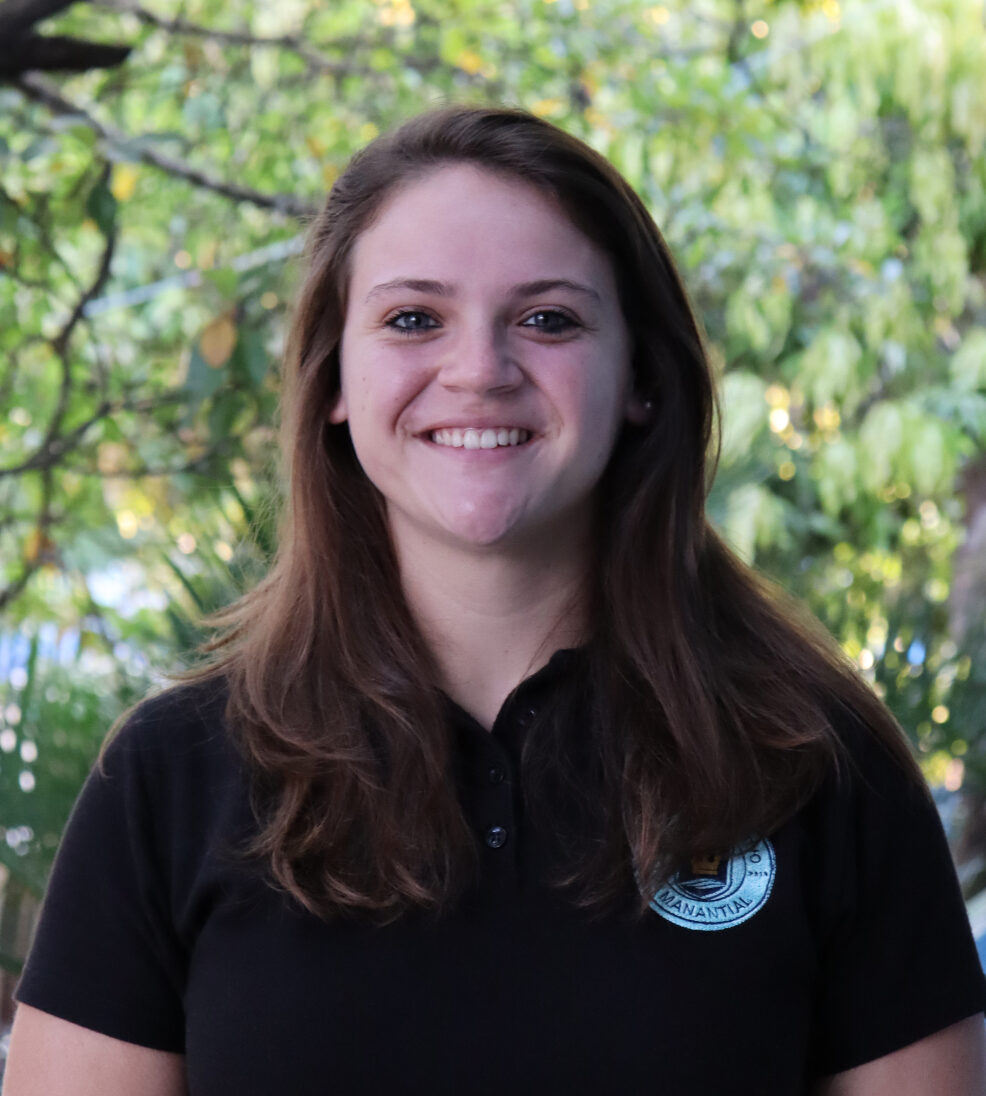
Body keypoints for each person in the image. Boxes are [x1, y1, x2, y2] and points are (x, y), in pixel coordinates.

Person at [6, 106, 986, 1096]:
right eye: (412, 319)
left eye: (547, 319)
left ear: (641, 376)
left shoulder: (816, 761)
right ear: (333, 377)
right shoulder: (170, 778)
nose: (478, 371)